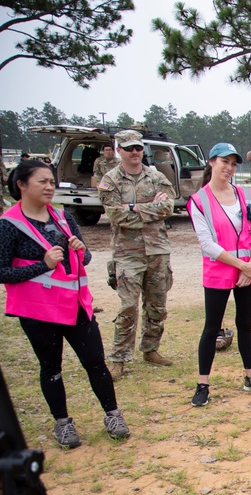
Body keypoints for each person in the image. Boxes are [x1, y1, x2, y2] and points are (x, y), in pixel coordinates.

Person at [0, 160, 129, 447]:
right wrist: (41, 266)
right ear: (21, 184)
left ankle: (113, 414)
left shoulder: (63, 217)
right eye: (42, 181)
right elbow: (1, 271)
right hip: (38, 312)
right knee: (51, 367)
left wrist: (82, 253)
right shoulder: (8, 225)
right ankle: (63, 423)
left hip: (75, 305)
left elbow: (82, 259)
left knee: (95, 363)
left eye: (51, 182)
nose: (49, 187)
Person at [187, 143, 251, 407]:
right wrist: (241, 265)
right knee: (211, 327)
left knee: (245, 324)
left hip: (248, 272)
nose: (229, 168)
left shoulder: (246, 195)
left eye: (234, 164)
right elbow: (207, 243)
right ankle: (203, 384)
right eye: (225, 162)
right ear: (212, 162)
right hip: (220, 271)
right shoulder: (199, 200)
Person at [98, 129, 176, 379]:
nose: (134, 152)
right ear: (118, 149)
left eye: (138, 148)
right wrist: (149, 208)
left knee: (157, 305)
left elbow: (167, 208)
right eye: (129, 148)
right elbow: (115, 215)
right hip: (127, 253)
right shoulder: (110, 180)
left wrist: (132, 206)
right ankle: (119, 358)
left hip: (157, 250)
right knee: (128, 306)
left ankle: (150, 349)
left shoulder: (155, 176)